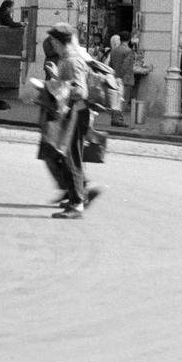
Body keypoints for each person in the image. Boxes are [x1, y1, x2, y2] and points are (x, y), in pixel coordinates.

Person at [39, 22, 100, 219]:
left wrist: (56, 86)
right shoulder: (68, 59)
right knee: (67, 157)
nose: (52, 46)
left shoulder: (72, 61)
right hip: (72, 112)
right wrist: (56, 78)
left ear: (59, 42)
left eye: (53, 42)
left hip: (75, 113)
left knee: (70, 158)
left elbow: (80, 91)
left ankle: (76, 205)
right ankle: (76, 198)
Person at [106, 35, 134, 128]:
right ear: (129, 39)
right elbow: (126, 65)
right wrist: (120, 76)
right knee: (122, 100)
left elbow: (110, 65)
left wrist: (115, 76)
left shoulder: (113, 51)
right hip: (125, 78)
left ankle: (114, 119)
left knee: (115, 100)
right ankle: (119, 120)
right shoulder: (128, 51)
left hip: (114, 77)